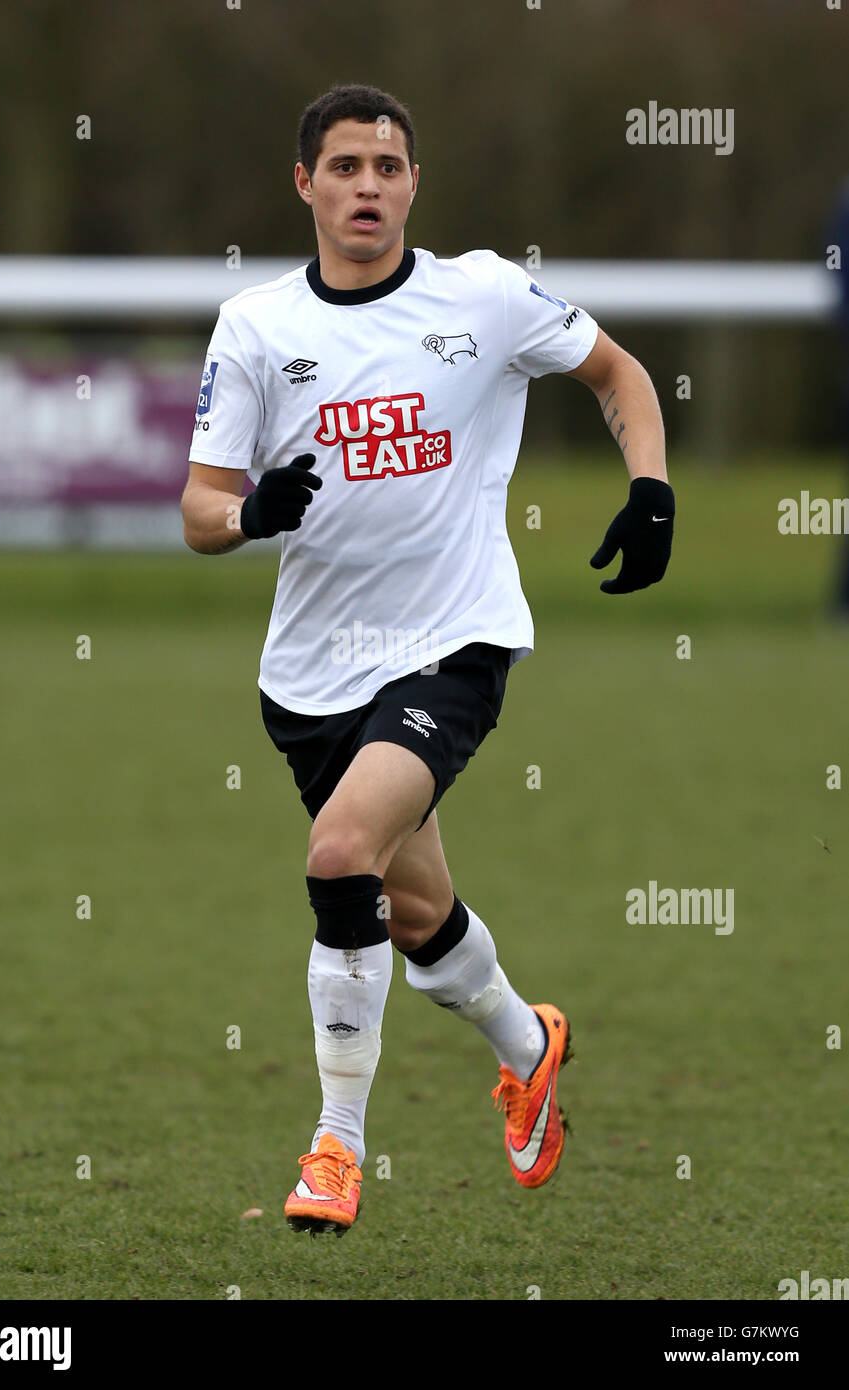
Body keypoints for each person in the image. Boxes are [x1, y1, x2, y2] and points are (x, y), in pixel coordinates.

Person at [181, 84, 673, 1237]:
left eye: (387, 167)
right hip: (309, 677)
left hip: (454, 645)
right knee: (410, 912)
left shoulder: (487, 296)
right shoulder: (255, 327)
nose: (368, 186)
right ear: (302, 184)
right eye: (344, 166)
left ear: (413, 183)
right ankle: (527, 1041)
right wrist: (256, 513)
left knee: (339, 853)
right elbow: (199, 512)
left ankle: (334, 1150)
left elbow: (619, 375)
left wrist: (649, 487)